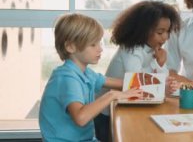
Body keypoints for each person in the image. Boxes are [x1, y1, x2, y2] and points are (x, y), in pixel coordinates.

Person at [39, 13, 144, 141]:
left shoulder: (86, 73)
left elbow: (121, 83)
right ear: (70, 46)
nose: (100, 49)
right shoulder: (67, 78)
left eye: (99, 43)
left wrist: (156, 86)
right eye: (93, 45)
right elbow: (81, 118)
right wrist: (112, 95)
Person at [94, 0, 181, 142]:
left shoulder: (152, 47)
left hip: (129, 103)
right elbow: (136, 79)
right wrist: (157, 64)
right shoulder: (131, 49)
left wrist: (162, 70)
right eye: (160, 32)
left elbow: (162, 78)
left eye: (167, 31)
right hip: (107, 110)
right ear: (143, 30)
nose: (165, 37)